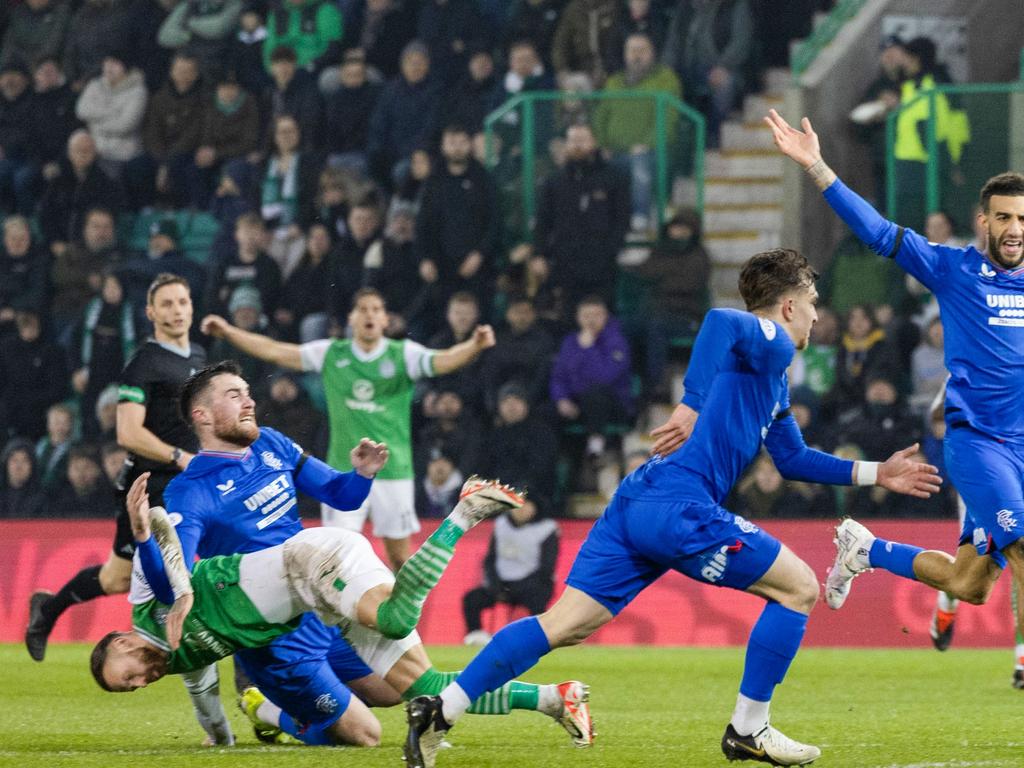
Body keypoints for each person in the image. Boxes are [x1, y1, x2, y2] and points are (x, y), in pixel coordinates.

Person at [403, 247, 942, 768]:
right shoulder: (772, 340)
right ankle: (749, 727)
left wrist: (876, 473)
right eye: (814, 301)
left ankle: (441, 710)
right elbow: (717, 321)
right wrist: (689, 404)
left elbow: (794, 458)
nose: (818, 315)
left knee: (563, 624)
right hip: (680, 505)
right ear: (788, 305)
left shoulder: (771, 379)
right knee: (799, 587)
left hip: (637, 502)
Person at [135, 360, 589, 746]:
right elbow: (175, 578)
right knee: (364, 734)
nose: (249, 401)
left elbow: (340, 495)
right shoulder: (190, 491)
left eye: (248, 393)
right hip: (276, 635)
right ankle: (266, 708)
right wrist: (146, 545)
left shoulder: (270, 443)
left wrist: (362, 474)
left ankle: (551, 698)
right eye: (234, 396)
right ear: (203, 416)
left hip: (323, 588)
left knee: (402, 690)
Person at [764, 110, 1024, 678]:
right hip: (980, 444)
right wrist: (816, 166)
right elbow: (880, 233)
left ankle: (868, 551)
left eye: (1022, 218)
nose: (1014, 228)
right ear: (984, 221)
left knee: (968, 585)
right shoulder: (954, 269)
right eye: (1003, 217)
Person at [201, 286, 495, 570]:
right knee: (338, 560)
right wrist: (228, 332)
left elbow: (444, 361)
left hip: (394, 471)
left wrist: (474, 345)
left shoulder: (403, 354)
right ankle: (340, 622)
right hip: (344, 471)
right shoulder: (332, 353)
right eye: (362, 309)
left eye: (376, 309)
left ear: (385, 319)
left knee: (400, 559)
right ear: (352, 319)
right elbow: (277, 351)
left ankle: (400, 621)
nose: (369, 314)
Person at [24, 273, 205, 661]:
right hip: (150, 484)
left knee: (121, 577)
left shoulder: (198, 357)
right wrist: (179, 456)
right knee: (123, 578)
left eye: (182, 302)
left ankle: (48, 608)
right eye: (167, 304)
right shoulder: (145, 362)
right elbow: (127, 432)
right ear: (150, 311)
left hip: (190, 484)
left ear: (192, 306)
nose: (176, 310)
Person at [462, 498, 559, 645]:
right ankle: (476, 637)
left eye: (526, 505)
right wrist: (495, 584)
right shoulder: (501, 524)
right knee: (472, 599)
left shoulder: (547, 528)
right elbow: (490, 559)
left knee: (538, 602)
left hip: (532, 585)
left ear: (535, 508)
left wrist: (522, 586)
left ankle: (537, 640)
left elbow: (547, 567)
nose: (520, 509)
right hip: (502, 584)